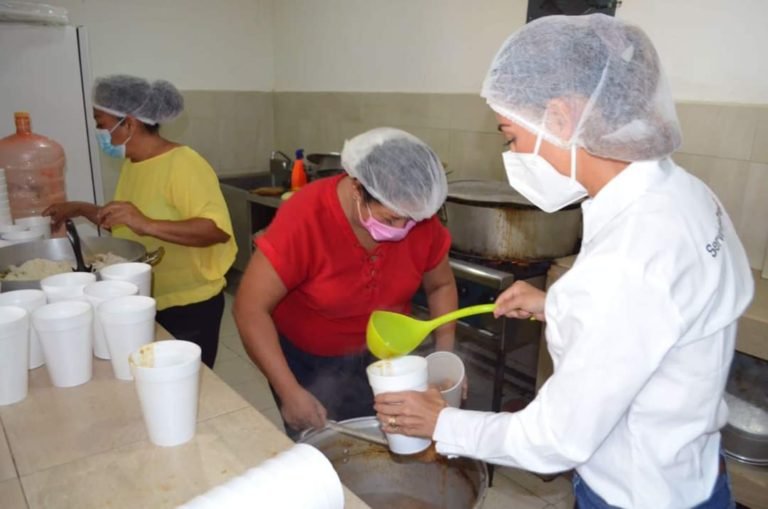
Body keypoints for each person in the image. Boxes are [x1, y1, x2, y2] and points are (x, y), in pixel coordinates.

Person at [373, 14, 754, 509]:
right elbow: (656, 322)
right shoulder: (684, 193)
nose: (510, 154)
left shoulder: (629, 257)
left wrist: (440, 422)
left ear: (560, 117)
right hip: (695, 473)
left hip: (636, 494)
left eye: (510, 136)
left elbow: (555, 440)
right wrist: (564, 305)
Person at [233, 127, 458, 438]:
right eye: (391, 219)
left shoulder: (417, 214)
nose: (405, 228)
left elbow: (441, 286)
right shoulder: (307, 217)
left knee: (392, 438)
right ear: (357, 188)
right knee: (324, 450)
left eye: (413, 219)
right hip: (307, 362)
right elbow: (250, 309)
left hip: (386, 356)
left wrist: (444, 359)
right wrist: (290, 392)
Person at [44, 75, 237, 369]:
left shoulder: (183, 163)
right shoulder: (133, 164)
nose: (100, 132)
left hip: (188, 305)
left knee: (183, 385)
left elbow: (216, 230)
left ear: (129, 123)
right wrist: (80, 208)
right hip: (146, 297)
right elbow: (126, 221)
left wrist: (146, 223)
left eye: (101, 122)